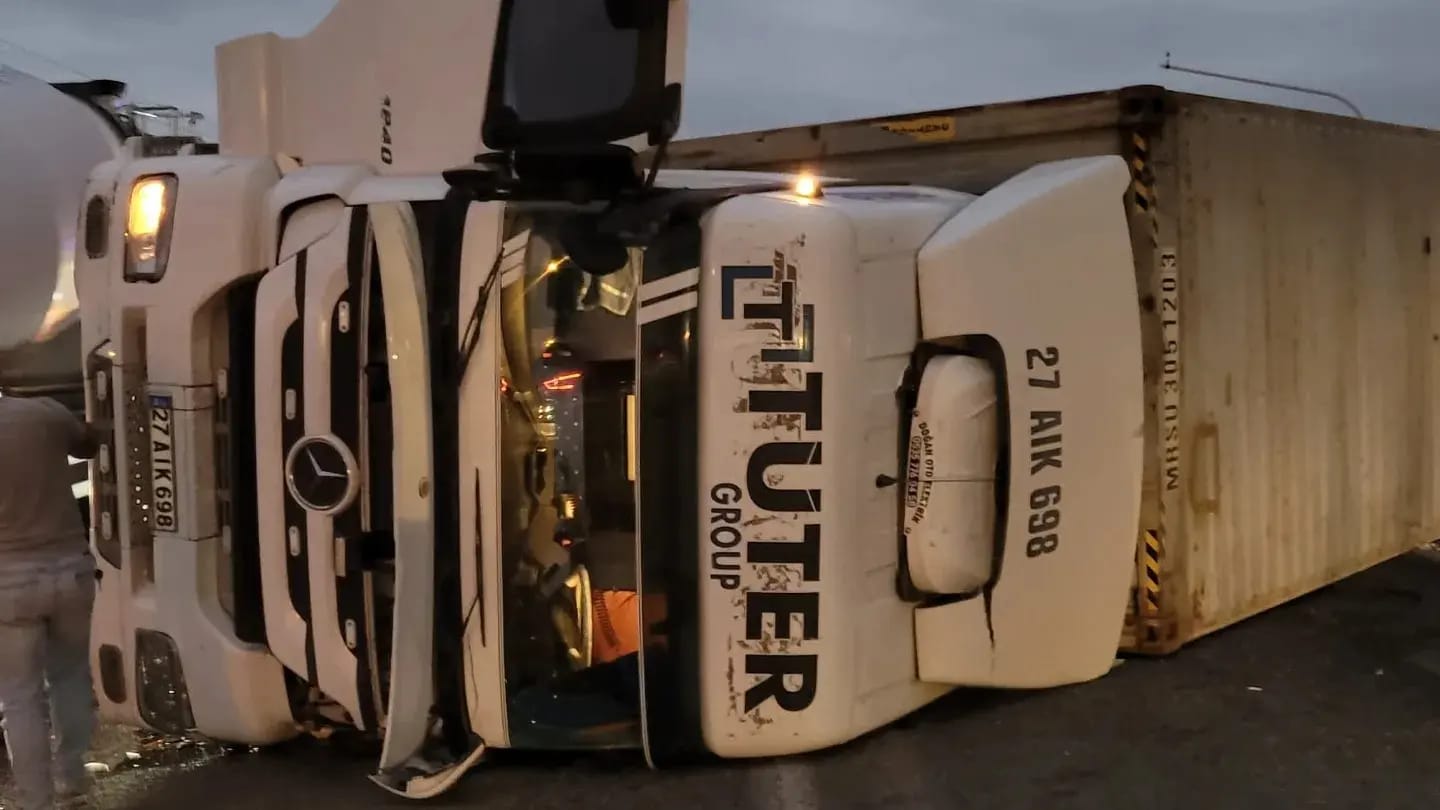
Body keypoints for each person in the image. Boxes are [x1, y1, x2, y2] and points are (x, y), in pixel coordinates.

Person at [0, 394, 100, 810]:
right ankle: (71, 776)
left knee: (20, 697)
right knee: (71, 675)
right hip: (70, 569)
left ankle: (36, 801)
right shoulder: (43, 412)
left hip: (9, 583)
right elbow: (89, 443)